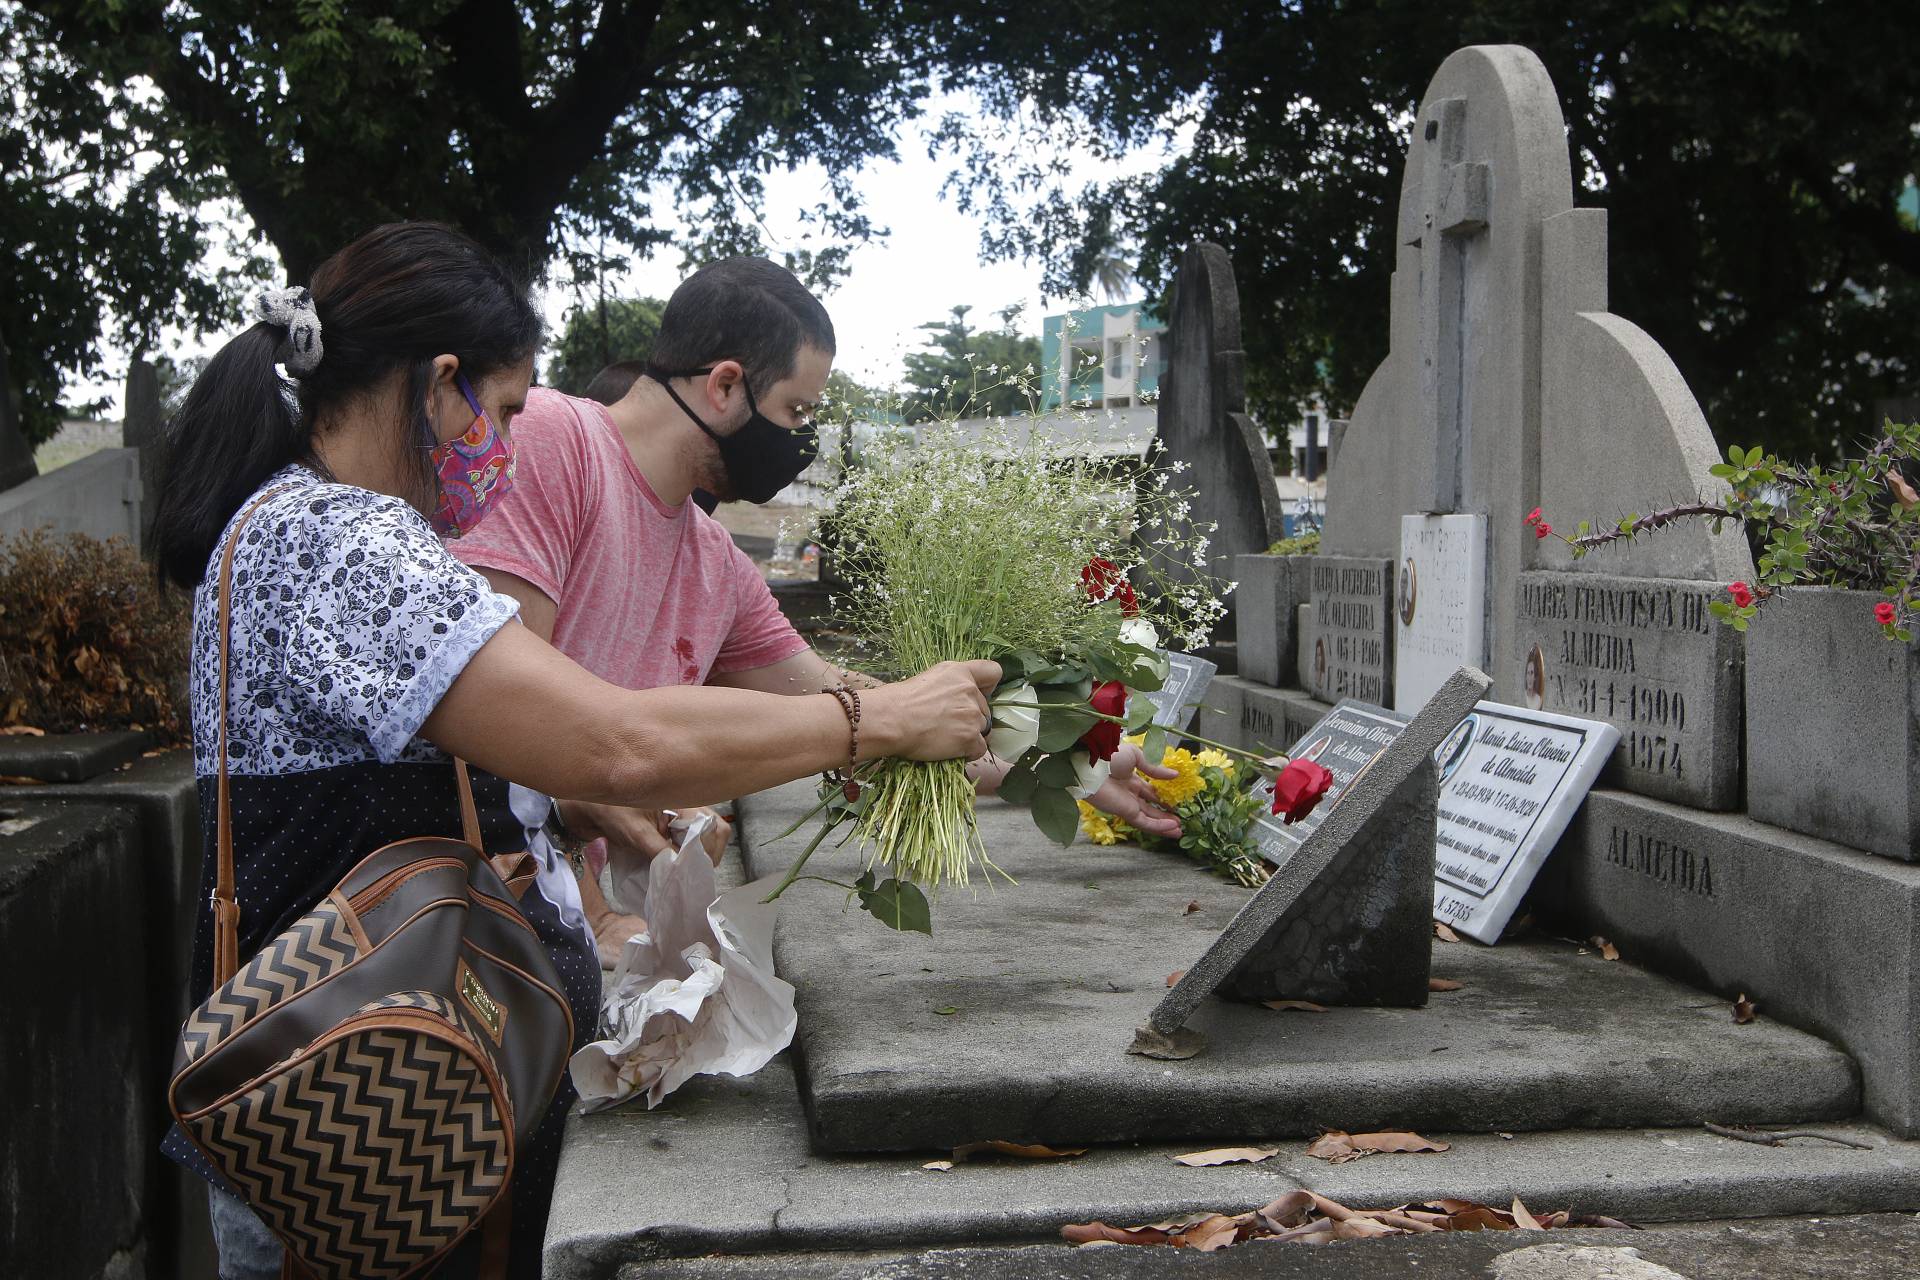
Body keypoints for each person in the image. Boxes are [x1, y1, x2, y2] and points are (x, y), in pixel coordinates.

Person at [151, 223, 998, 1280]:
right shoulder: (330, 538)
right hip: (357, 1104)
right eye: (503, 413)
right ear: (440, 384)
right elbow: (612, 740)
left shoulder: (320, 526)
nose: (504, 449)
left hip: (397, 1087)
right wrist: (873, 725)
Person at [448, 256, 1181, 964]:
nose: (799, 439)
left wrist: (1059, 756)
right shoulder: (552, 440)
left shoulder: (715, 562)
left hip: (553, 929)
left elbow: (854, 705)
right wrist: (598, 916)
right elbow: (497, 735)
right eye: (795, 410)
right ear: (726, 386)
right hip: (466, 913)